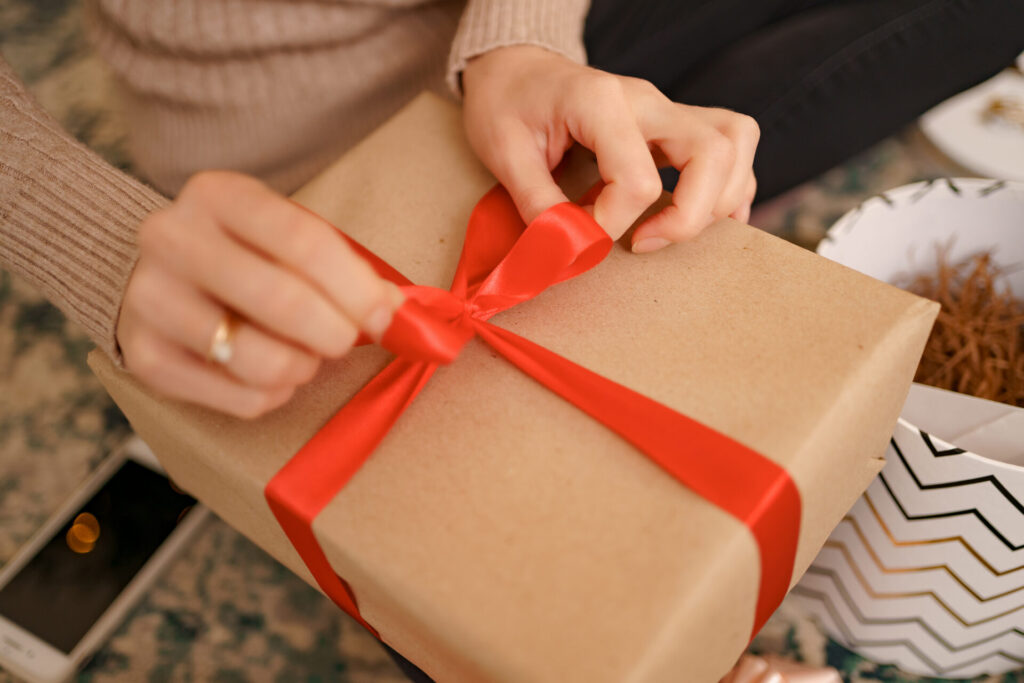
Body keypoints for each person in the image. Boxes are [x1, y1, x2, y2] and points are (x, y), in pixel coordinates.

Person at [0, 0, 1021, 679]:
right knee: (490, 595)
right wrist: (91, 234)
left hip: (507, 71)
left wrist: (517, 37)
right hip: (267, 178)